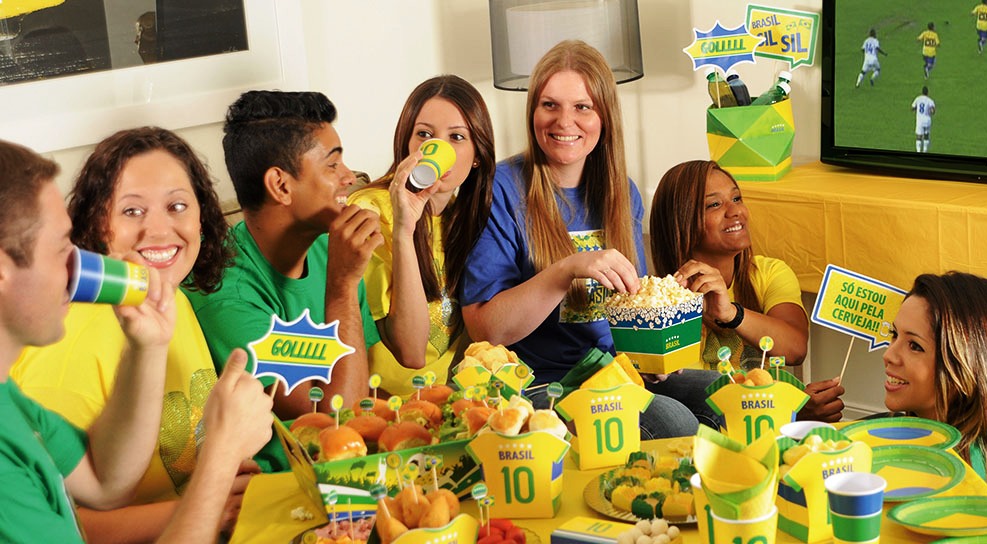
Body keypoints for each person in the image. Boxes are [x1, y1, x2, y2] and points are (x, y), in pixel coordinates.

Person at [0, 139, 274, 542]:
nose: (78, 269)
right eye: (62, 250)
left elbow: (106, 486)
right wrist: (221, 456)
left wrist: (148, 346)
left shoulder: (10, 401)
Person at [460, 40, 700, 438]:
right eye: (549, 105)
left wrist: (654, 353)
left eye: (582, 107)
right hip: (534, 383)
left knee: (726, 396)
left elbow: (627, 314)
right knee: (674, 422)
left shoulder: (623, 192)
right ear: (532, 111)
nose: (563, 121)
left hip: (611, 371)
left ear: (604, 116)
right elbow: (487, 329)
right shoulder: (499, 189)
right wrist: (566, 270)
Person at [185, 91, 383, 471]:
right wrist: (341, 286)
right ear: (280, 185)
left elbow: (364, 385)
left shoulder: (330, 248)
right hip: (281, 488)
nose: (349, 178)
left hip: (353, 469)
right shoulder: (222, 290)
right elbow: (336, 417)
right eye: (333, 164)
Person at [648, 160, 844, 423]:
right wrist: (784, 408)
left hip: (763, 424)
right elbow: (670, 392)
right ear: (680, 221)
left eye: (736, 198)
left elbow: (796, 348)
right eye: (714, 204)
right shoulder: (657, 298)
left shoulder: (770, 272)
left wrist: (730, 313)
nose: (736, 211)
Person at [348, 75, 494, 397]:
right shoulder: (371, 210)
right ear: (407, 145)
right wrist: (403, 229)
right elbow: (410, 351)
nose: (437, 147)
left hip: (446, 401)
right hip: (381, 405)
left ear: (478, 155)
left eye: (457, 137)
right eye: (424, 134)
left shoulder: (471, 219)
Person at [882, 271, 987, 501]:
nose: (889, 355)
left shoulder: (963, 479)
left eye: (915, 346)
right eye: (894, 334)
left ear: (967, 362)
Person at [911, 86, 936, 153]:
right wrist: (931, 112)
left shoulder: (918, 99)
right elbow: (933, 110)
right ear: (927, 92)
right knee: (926, 136)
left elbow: (913, 107)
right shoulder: (930, 100)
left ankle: (918, 151)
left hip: (920, 121)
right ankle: (925, 151)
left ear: (922, 92)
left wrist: (916, 109)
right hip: (927, 120)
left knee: (919, 136)